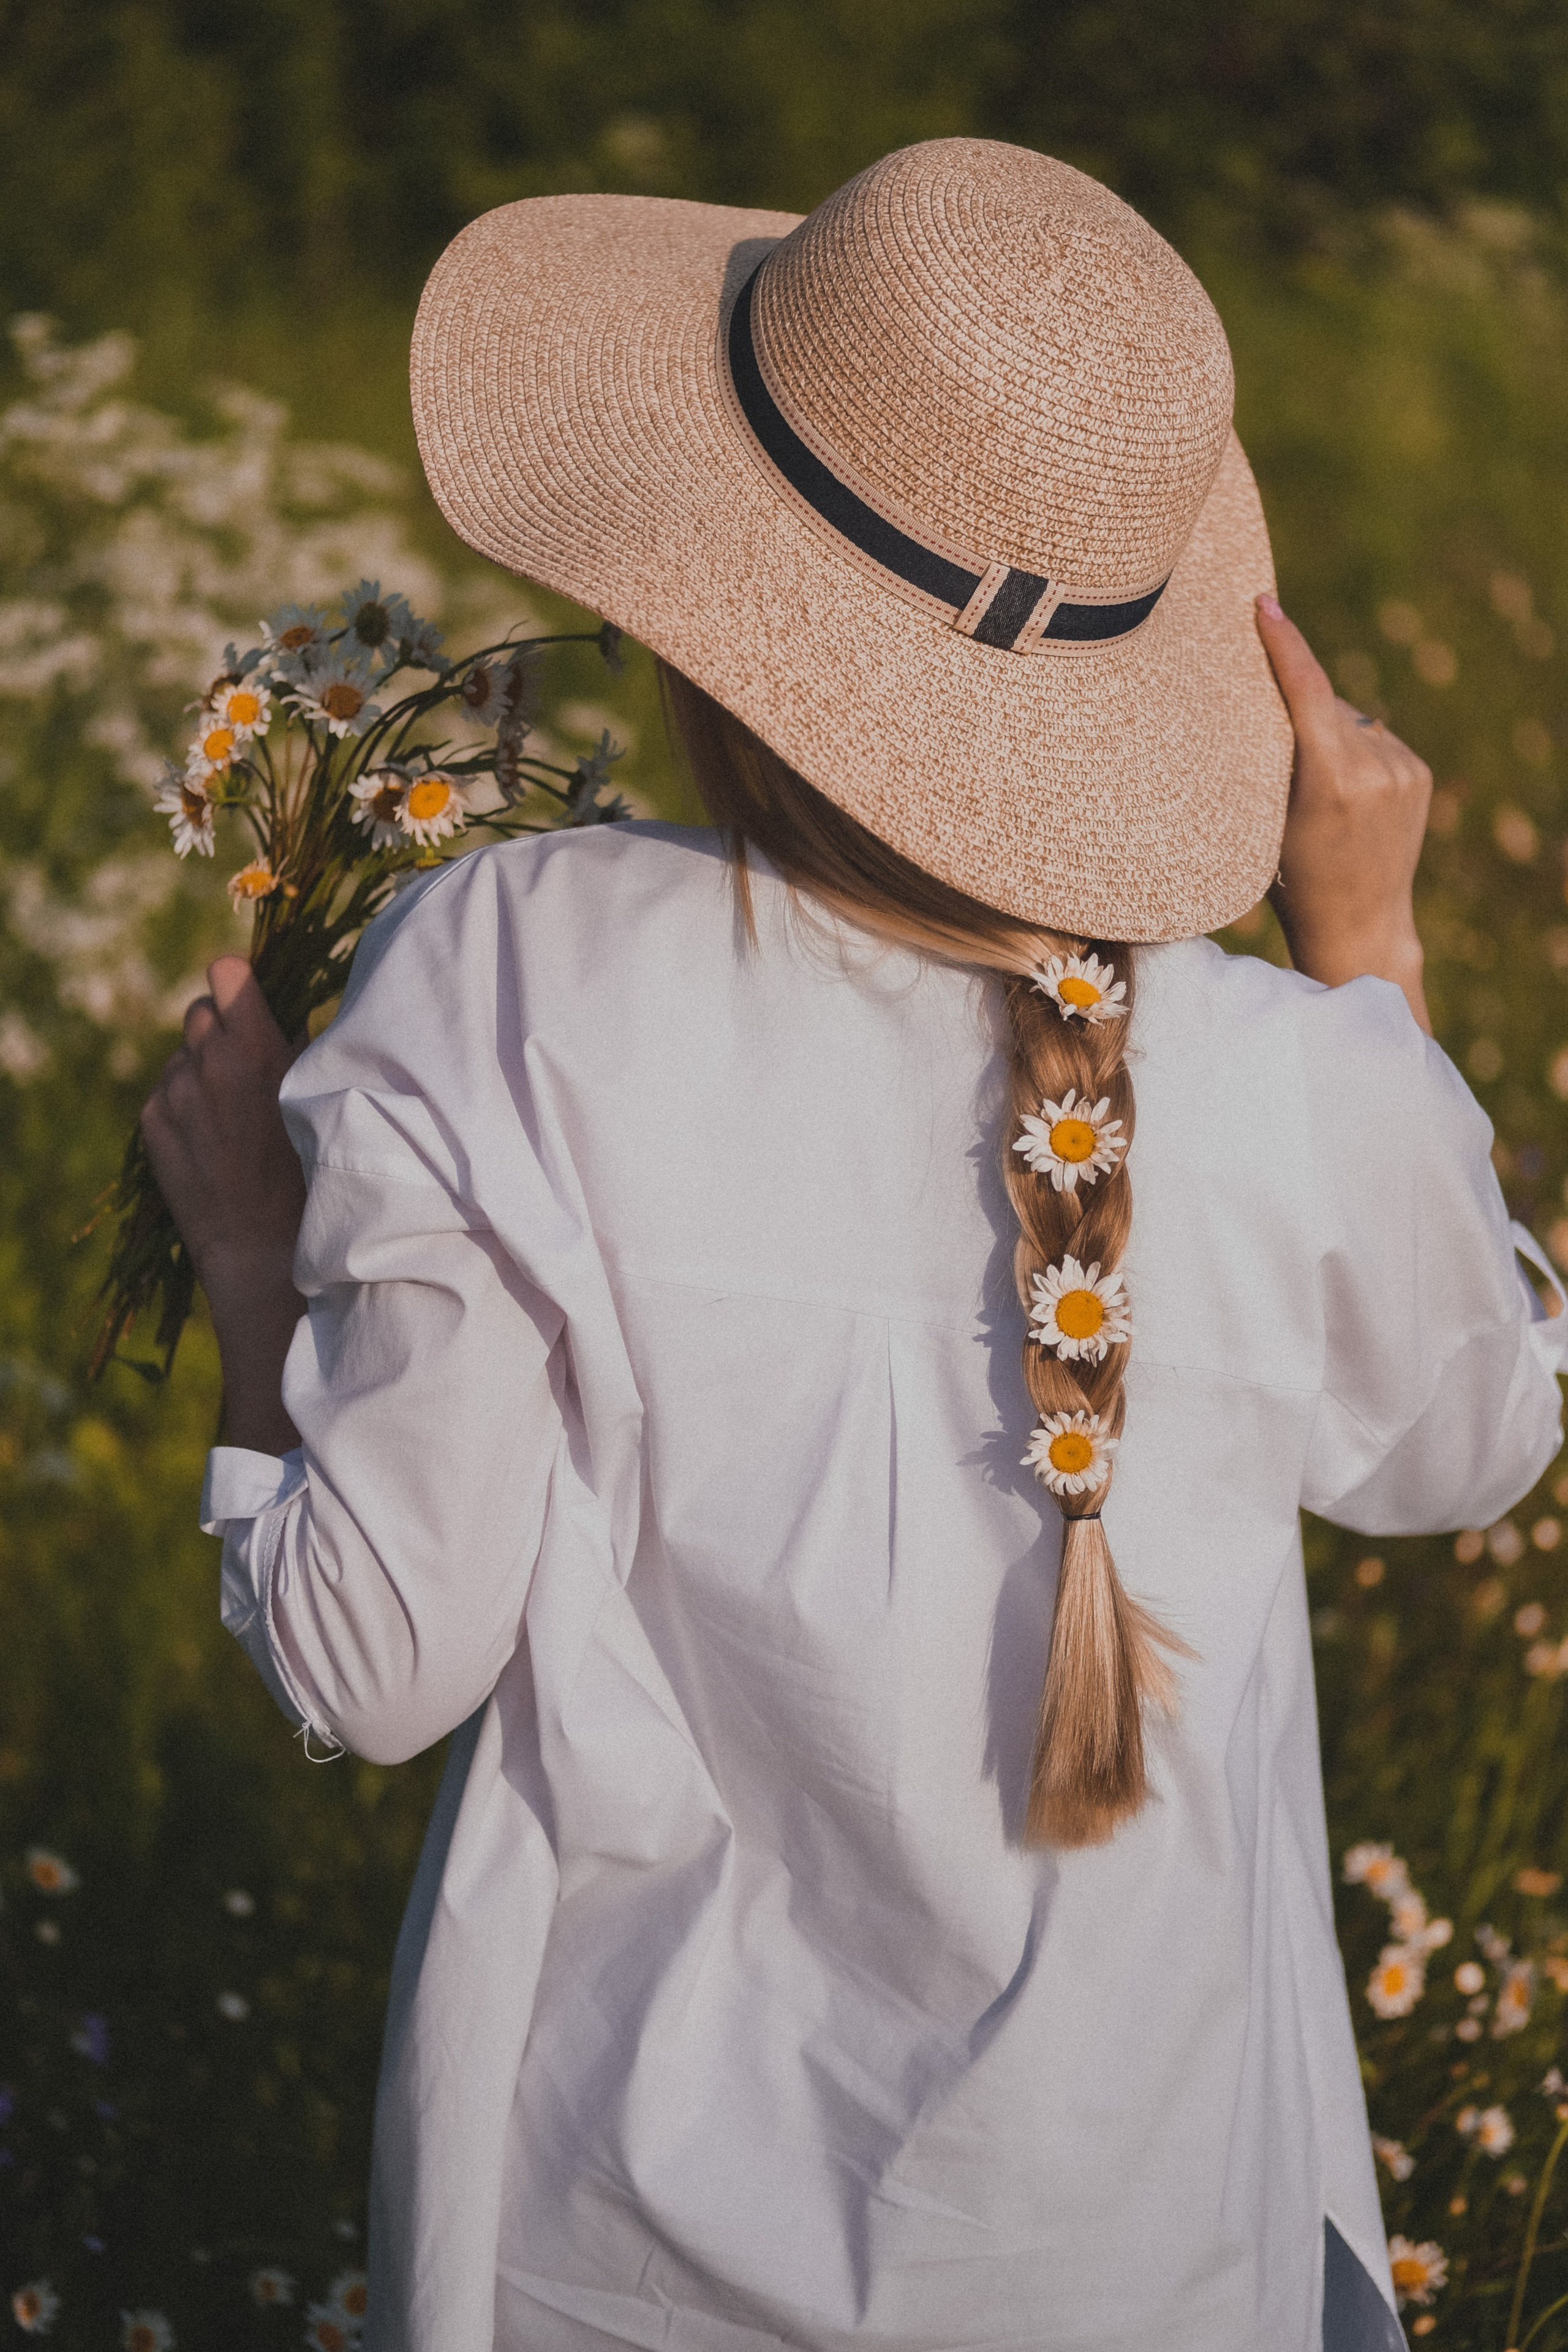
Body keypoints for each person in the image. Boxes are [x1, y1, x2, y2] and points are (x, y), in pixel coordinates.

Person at [141, 140, 1566, 2352]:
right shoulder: (1285, 1069)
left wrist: (248, 1256)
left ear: (707, 591)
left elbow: (369, 1666)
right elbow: (1468, 1445)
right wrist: (1369, 953)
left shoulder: (514, 973)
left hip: (620, 2269)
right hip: (1160, 2272)